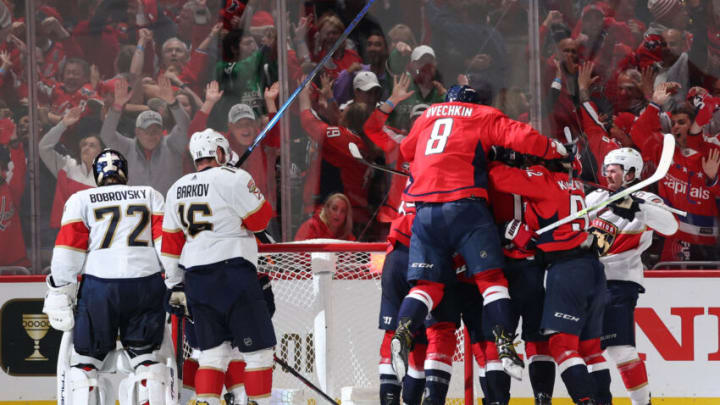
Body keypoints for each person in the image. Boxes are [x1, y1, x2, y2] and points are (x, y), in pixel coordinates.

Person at [391, 85, 569, 383]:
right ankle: (504, 344)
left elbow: (407, 151)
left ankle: (403, 331)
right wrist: (555, 149)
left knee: (427, 286)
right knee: (491, 281)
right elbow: (523, 137)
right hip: (465, 206)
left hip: (425, 212)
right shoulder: (482, 113)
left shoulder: (429, 114)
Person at [42, 148, 170, 404]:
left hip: (100, 288)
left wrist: (58, 289)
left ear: (97, 174)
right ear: (124, 171)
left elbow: (68, 252)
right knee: (146, 360)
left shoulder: (82, 199)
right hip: (146, 285)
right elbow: (167, 246)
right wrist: (177, 280)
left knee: (85, 363)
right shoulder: (150, 195)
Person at [161, 129, 274, 405]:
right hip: (234, 274)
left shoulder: (176, 188)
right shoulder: (234, 178)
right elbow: (261, 221)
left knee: (212, 355)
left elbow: (170, 246)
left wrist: (175, 284)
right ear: (220, 152)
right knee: (258, 353)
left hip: (197, 280)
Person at [488, 152, 609, 405]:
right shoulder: (575, 182)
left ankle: (586, 401)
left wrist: (495, 157)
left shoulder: (542, 178)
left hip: (566, 269)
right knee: (591, 350)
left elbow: (498, 177)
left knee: (561, 346)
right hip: (593, 268)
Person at [586, 148, 678, 405]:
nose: (608, 173)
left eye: (615, 168)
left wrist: (638, 207)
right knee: (590, 349)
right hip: (588, 281)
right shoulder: (596, 197)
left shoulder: (646, 198)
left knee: (620, 349)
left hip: (620, 281)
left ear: (632, 173)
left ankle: (642, 403)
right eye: (607, 168)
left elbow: (671, 226)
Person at [100, 75, 190, 194]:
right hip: (137, 210)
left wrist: (173, 103)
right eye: (146, 130)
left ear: (161, 131)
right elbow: (106, 134)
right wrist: (117, 106)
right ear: (137, 132)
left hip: (168, 209)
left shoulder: (172, 145)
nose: (151, 135)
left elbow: (185, 126)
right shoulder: (127, 147)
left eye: (156, 130)